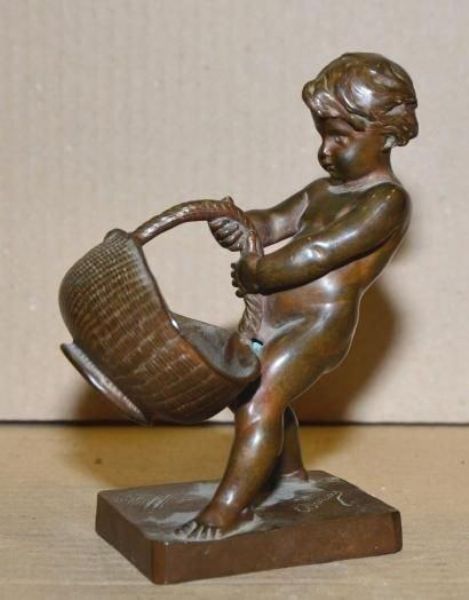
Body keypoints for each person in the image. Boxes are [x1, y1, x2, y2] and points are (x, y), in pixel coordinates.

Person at [178, 52, 418, 539]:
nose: (326, 150)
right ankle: (287, 472)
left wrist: (259, 272)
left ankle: (228, 509)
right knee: (249, 392)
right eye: (321, 135)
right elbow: (272, 222)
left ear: (387, 135)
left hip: (318, 327)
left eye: (340, 137)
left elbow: (320, 252)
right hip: (274, 317)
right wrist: (241, 224)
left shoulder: (387, 202)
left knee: (260, 399)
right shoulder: (320, 191)